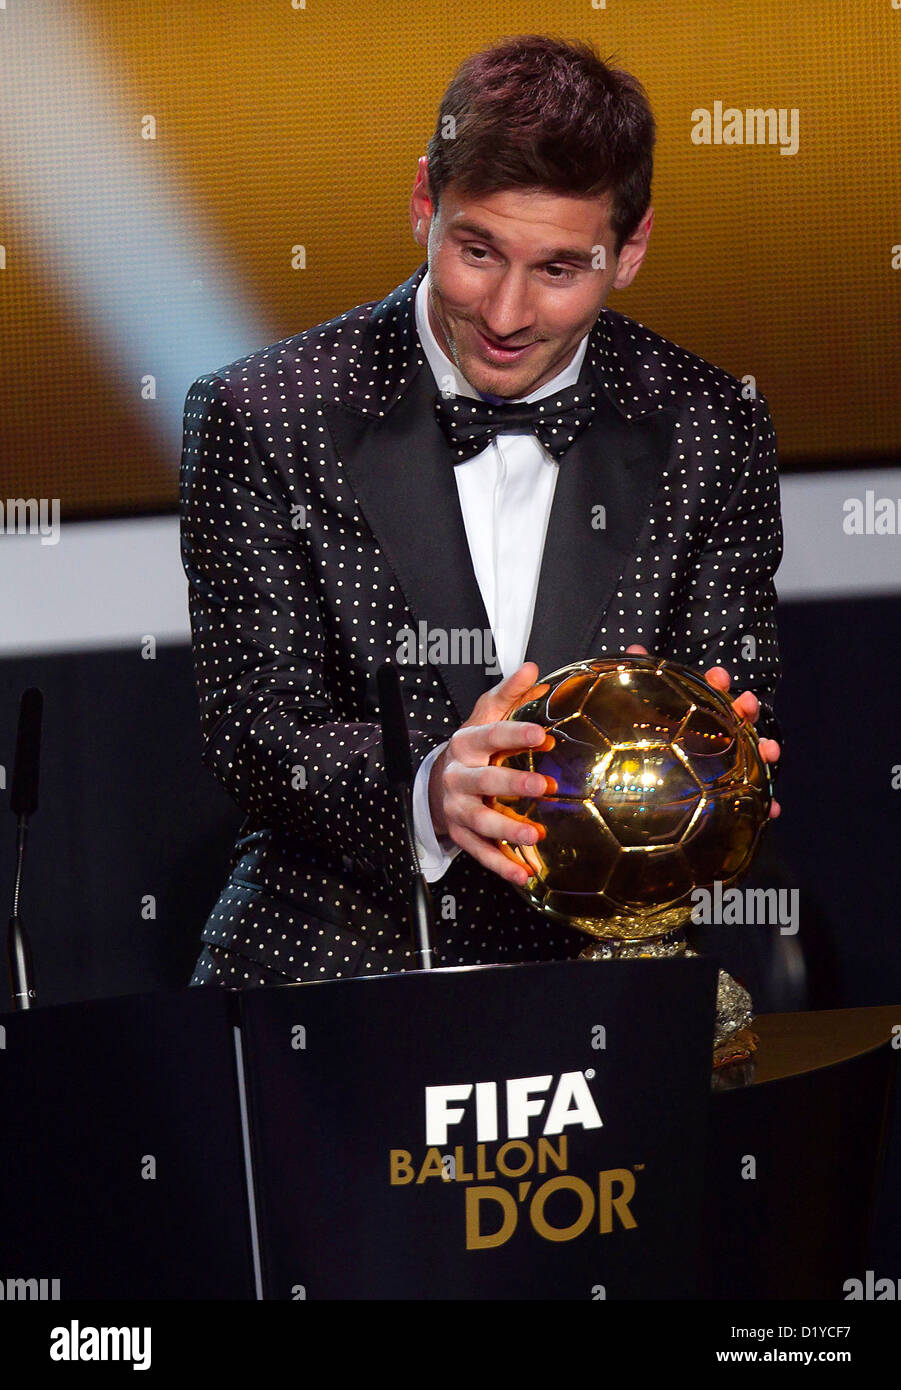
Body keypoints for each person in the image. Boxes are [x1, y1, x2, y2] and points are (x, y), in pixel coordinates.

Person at [180, 35, 782, 989]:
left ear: (629, 250)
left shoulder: (709, 423)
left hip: (608, 982)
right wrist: (429, 790)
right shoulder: (265, 415)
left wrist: (721, 752)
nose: (505, 314)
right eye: (476, 251)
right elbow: (253, 726)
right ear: (425, 200)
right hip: (333, 978)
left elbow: (734, 682)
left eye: (557, 270)